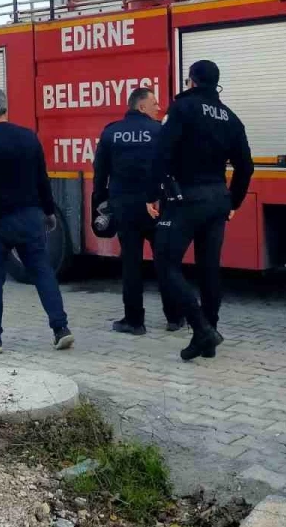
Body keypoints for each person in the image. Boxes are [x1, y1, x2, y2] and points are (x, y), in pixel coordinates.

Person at [147, 60, 254, 361]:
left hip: (186, 199)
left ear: (191, 81)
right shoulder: (231, 118)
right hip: (218, 199)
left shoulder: (182, 109)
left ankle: (202, 328)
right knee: (209, 269)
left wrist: (154, 193)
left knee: (166, 264)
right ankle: (208, 337)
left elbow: (162, 153)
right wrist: (234, 201)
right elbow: (246, 166)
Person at [0, 85, 73, 354]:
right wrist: (48, 211)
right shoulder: (28, 137)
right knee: (42, 272)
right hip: (30, 217)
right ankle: (61, 329)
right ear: (4, 107)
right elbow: (42, 179)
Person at [92, 86, 182, 336]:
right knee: (165, 260)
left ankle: (134, 321)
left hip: (124, 207)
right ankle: (174, 317)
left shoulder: (111, 132)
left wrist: (100, 203)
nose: (158, 107)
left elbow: (100, 173)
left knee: (130, 264)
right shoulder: (160, 131)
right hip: (155, 206)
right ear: (141, 106)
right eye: (154, 103)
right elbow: (171, 168)